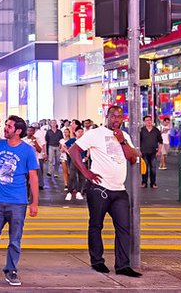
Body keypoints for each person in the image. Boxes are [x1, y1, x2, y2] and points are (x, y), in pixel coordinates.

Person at [67, 105, 142, 278]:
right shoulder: (95, 133)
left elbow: (132, 158)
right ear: (107, 117)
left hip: (119, 190)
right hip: (99, 188)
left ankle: (123, 265)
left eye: (120, 116)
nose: (117, 119)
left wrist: (122, 140)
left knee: (124, 228)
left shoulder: (125, 136)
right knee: (96, 225)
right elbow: (74, 151)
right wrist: (86, 173)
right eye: (113, 116)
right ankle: (97, 261)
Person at [0, 116, 38, 287]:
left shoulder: (27, 150)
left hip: (18, 203)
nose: (6, 128)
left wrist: (34, 203)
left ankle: (11, 270)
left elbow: (33, 177)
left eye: (9, 126)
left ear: (18, 131)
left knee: (15, 240)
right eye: (6, 125)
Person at [139, 116, 162, 189]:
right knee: (144, 168)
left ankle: (153, 183)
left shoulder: (156, 130)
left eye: (149, 120)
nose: (148, 122)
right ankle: (144, 182)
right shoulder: (141, 130)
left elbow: (160, 142)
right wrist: (139, 151)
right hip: (144, 152)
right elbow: (138, 142)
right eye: (146, 120)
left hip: (153, 152)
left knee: (153, 168)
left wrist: (159, 151)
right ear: (144, 122)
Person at [64, 127, 86, 202]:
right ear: (75, 133)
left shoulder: (84, 141)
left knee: (81, 177)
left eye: (82, 131)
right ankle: (69, 192)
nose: (80, 133)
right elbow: (65, 146)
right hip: (74, 160)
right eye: (79, 131)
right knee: (72, 176)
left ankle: (79, 192)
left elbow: (88, 148)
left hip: (82, 160)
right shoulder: (72, 140)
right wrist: (68, 152)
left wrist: (87, 156)